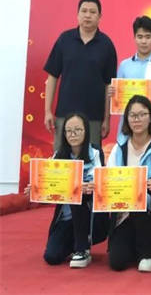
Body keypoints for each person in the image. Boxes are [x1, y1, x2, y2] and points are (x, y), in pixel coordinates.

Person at [26, 112, 108, 268]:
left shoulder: (96, 152)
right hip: (66, 218)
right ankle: (77, 243)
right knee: (52, 256)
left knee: (76, 193)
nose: (73, 134)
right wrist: (36, 188)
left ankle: (82, 249)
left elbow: (99, 183)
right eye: (69, 131)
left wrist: (84, 186)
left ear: (86, 131)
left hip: (89, 214)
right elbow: (48, 185)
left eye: (77, 130)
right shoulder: (59, 155)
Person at [106, 95, 151, 272]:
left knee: (140, 199)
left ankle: (149, 253)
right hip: (123, 211)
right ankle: (135, 244)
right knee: (117, 262)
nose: (137, 119)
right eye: (133, 115)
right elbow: (109, 180)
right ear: (127, 119)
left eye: (142, 114)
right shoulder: (119, 147)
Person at [44, 0, 117, 149]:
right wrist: (47, 111)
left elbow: (108, 85)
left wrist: (106, 119)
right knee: (62, 158)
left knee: (91, 159)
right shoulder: (64, 39)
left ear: (100, 17)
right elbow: (52, 76)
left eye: (92, 12)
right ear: (77, 15)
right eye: (84, 11)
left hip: (94, 117)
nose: (88, 15)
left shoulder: (106, 45)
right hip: (64, 114)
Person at [111, 15, 151, 127]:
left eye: (148, 37)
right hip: (126, 129)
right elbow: (117, 98)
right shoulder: (124, 65)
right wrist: (112, 93)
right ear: (134, 37)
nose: (144, 41)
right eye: (140, 37)